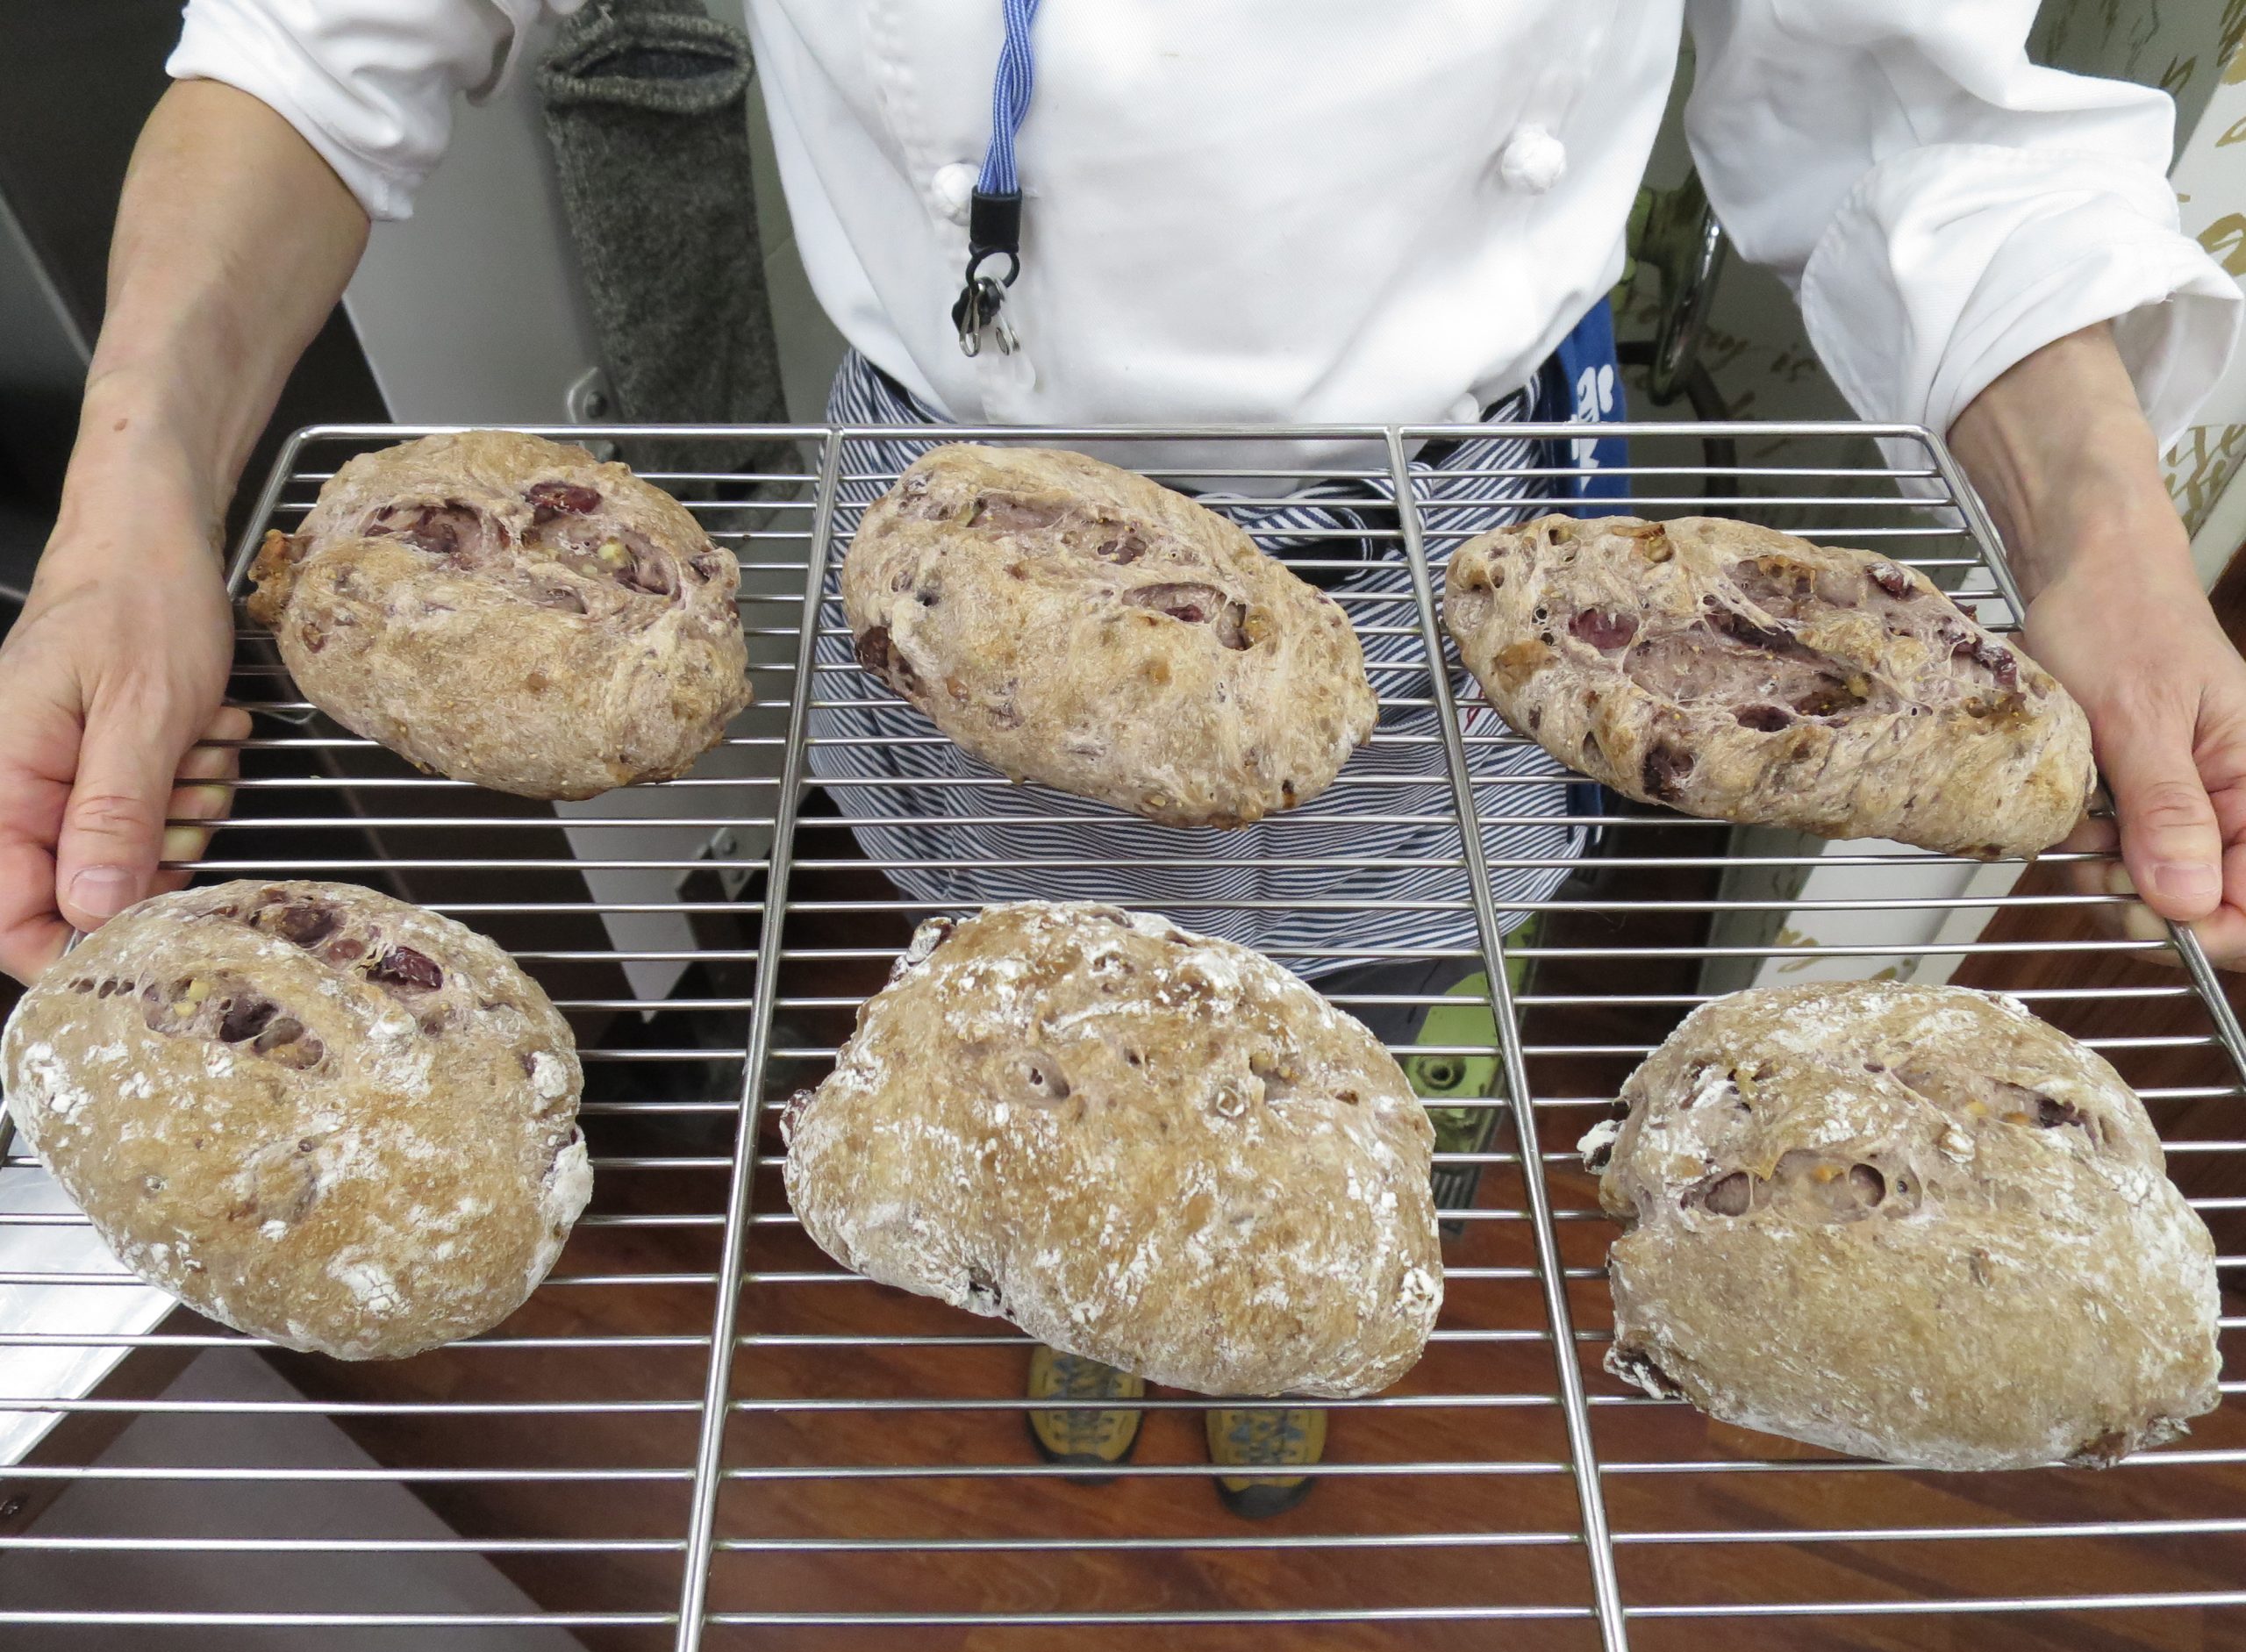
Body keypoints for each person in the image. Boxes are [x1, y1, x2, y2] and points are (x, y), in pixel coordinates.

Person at [7, 1, 2246, 1514]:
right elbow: (323, 41)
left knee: (1378, 1003)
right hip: (973, 562)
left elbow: (1901, 101)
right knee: (1027, 1006)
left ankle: (1274, 1280)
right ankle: (1100, 1260)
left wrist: (2100, 526)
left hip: (1453, 530)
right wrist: (131, 501)